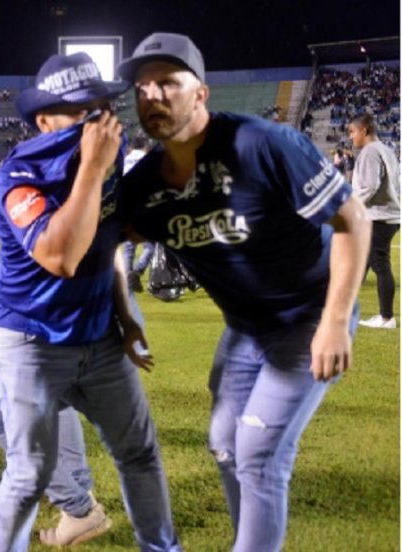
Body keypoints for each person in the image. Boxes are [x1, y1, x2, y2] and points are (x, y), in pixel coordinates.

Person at [117, 32, 371, 552]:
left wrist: (334, 320)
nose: (152, 96)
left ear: (201, 93)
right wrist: (126, 315)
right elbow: (105, 247)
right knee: (225, 446)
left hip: (310, 314)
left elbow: (354, 219)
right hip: (247, 327)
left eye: (168, 82)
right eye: (142, 88)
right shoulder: (144, 185)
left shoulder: (263, 144)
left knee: (257, 452)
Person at [0, 51, 180, 552]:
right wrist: (92, 169)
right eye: (79, 111)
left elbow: (107, 239)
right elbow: (62, 256)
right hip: (32, 341)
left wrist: (126, 316)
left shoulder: (107, 154)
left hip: (100, 337)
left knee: (139, 453)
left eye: (100, 108)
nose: (94, 121)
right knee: (29, 474)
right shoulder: (18, 173)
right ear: (43, 118)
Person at [0, 185, 119, 547]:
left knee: (1, 417)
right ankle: (78, 498)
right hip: (68, 338)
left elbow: (42, 252)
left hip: (44, 338)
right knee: (58, 407)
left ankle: (79, 506)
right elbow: (28, 243)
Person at [348, 112, 400, 329]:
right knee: (364, 261)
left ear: (364, 131)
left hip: (379, 216)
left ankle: (386, 318)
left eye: (352, 132)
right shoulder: (386, 149)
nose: (351, 137)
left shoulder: (370, 152)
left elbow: (369, 186)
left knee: (380, 263)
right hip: (387, 214)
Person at [121, 134, 154, 292]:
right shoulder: (149, 160)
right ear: (146, 147)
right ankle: (137, 272)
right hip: (144, 207)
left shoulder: (124, 160)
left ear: (132, 147)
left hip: (126, 207)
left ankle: (127, 276)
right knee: (150, 245)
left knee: (129, 246)